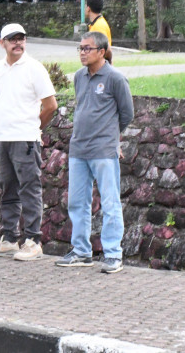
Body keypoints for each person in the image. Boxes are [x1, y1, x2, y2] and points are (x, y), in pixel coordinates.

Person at [55, 31, 134, 274]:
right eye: (80, 48)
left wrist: (112, 138)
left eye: (87, 48)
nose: (82, 52)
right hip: (79, 148)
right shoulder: (79, 77)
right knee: (77, 202)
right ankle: (81, 251)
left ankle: (113, 255)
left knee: (110, 202)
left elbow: (127, 114)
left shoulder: (115, 79)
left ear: (101, 51)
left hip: (103, 150)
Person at [0, 24, 58, 261]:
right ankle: (9, 238)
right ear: (2, 42)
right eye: (12, 39)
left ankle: (34, 240)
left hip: (25, 137)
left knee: (30, 189)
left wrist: (34, 128)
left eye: (21, 38)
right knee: (8, 189)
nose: (17, 43)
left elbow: (51, 105)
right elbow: (1, 99)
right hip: (2, 137)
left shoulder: (34, 68)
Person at [85, 0, 113, 64]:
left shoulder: (99, 26)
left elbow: (107, 50)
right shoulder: (96, 23)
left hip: (101, 67)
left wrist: (108, 63)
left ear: (88, 9)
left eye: (85, 7)